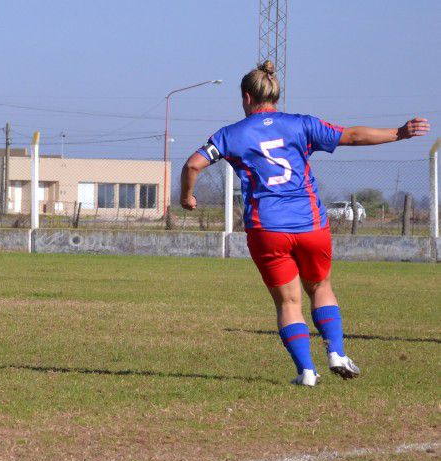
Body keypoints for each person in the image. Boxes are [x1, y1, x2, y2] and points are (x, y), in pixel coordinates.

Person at [179, 60, 430, 386]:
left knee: (288, 301)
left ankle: (307, 372)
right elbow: (351, 136)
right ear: (275, 94)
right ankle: (337, 352)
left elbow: (193, 164)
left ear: (245, 97)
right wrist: (399, 133)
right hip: (310, 225)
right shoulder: (301, 125)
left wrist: (187, 197)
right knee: (321, 287)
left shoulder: (230, 135)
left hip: (267, 228)